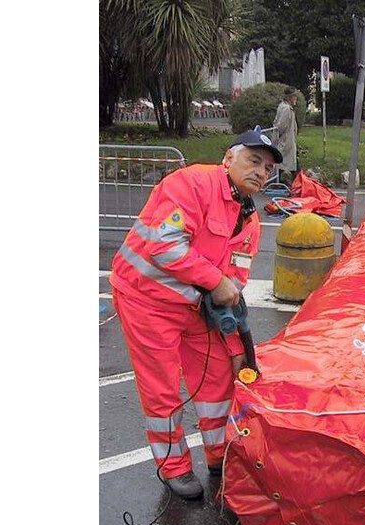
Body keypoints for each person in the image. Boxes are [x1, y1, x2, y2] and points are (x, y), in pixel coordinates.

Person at [109, 129, 283, 499]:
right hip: (147, 300)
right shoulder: (191, 185)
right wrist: (215, 281)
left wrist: (237, 345)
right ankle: (174, 467)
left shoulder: (249, 221)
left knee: (219, 380)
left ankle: (220, 455)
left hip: (194, 309)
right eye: (253, 161)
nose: (260, 172)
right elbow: (164, 247)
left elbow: (232, 287)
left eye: (267, 169)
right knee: (162, 389)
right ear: (228, 159)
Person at [273, 86, 299, 184]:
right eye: (294, 97)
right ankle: (293, 183)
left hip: (287, 139)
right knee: (286, 162)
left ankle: (283, 181)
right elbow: (281, 125)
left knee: (286, 162)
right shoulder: (286, 109)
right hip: (286, 140)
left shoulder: (284, 106)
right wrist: (280, 137)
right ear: (289, 98)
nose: (295, 99)